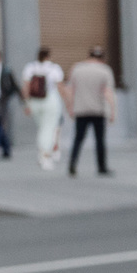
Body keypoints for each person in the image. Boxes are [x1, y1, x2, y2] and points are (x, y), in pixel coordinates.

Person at [67, 44, 117, 176]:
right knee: (100, 140)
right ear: (102, 57)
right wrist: (112, 110)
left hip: (81, 110)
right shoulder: (105, 70)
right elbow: (107, 92)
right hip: (98, 111)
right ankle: (102, 167)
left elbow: (71, 90)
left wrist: (70, 107)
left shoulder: (77, 69)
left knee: (78, 138)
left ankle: (72, 164)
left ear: (89, 55)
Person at [23, 45, 67, 172]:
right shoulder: (54, 68)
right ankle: (46, 155)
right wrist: (67, 102)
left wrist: (27, 103)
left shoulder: (30, 67)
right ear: (48, 56)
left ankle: (42, 153)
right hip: (50, 100)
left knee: (42, 128)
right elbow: (60, 87)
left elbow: (25, 87)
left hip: (34, 101)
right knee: (49, 128)